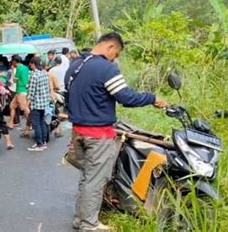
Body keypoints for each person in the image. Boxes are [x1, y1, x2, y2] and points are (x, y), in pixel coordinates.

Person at [65, 32, 167, 231]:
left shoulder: (75, 65)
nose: (115, 58)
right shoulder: (106, 68)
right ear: (110, 47)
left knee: (87, 177)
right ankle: (89, 224)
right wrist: (152, 98)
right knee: (96, 179)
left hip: (78, 132)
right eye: (117, 54)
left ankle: (80, 219)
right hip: (98, 135)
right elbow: (126, 98)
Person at [26, 57, 51, 151]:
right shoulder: (45, 73)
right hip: (44, 102)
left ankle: (39, 144)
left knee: (36, 124)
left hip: (36, 103)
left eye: (31, 64)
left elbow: (31, 92)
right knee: (41, 122)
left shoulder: (34, 75)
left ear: (33, 64)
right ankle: (43, 142)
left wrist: (26, 105)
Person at [8, 55, 30, 129]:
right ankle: (11, 123)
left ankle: (30, 124)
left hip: (20, 91)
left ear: (14, 61)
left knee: (24, 109)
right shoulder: (26, 67)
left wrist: (13, 73)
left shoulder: (18, 68)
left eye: (12, 61)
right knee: (12, 106)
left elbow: (15, 80)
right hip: (22, 90)